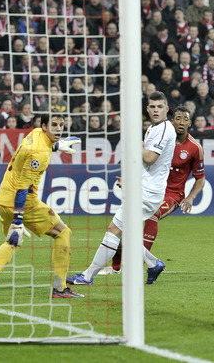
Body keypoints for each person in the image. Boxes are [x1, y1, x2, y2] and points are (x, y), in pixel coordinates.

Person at [67, 91, 176, 285]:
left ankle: (87, 276)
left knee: (114, 229)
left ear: (167, 109)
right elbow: (147, 163)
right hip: (144, 188)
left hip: (148, 192)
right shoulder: (153, 128)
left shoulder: (166, 129)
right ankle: (153, 264)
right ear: (148, 109)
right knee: (126, 233)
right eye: (152, 106)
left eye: (160, 106)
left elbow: (151, 157)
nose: (156, 110)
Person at [0, 114, 82, 298]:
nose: (58, 129)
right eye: (54, 125)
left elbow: (42, 145)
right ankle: (60, 288)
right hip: (22, 201)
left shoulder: (36, 133)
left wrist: (57, 145)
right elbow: (23, 188)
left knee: (12, 241)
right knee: (64, 233)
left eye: (61, 125)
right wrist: (18, 220)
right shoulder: (38, 154)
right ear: (44, 126)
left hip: (3, 198)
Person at [104, 107, 206, 275]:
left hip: (173, 195)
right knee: (124, 222)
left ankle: (137, 266)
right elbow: (144, 162)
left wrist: (191, 197)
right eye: (178, 118)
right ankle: (116, 268)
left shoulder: (195, 148)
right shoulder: (161, 140)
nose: (181, 122)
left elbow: (200, 178)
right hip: (150, 189)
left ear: (189, 123)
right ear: (171, 121)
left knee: (152, 216)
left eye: (185, 119)